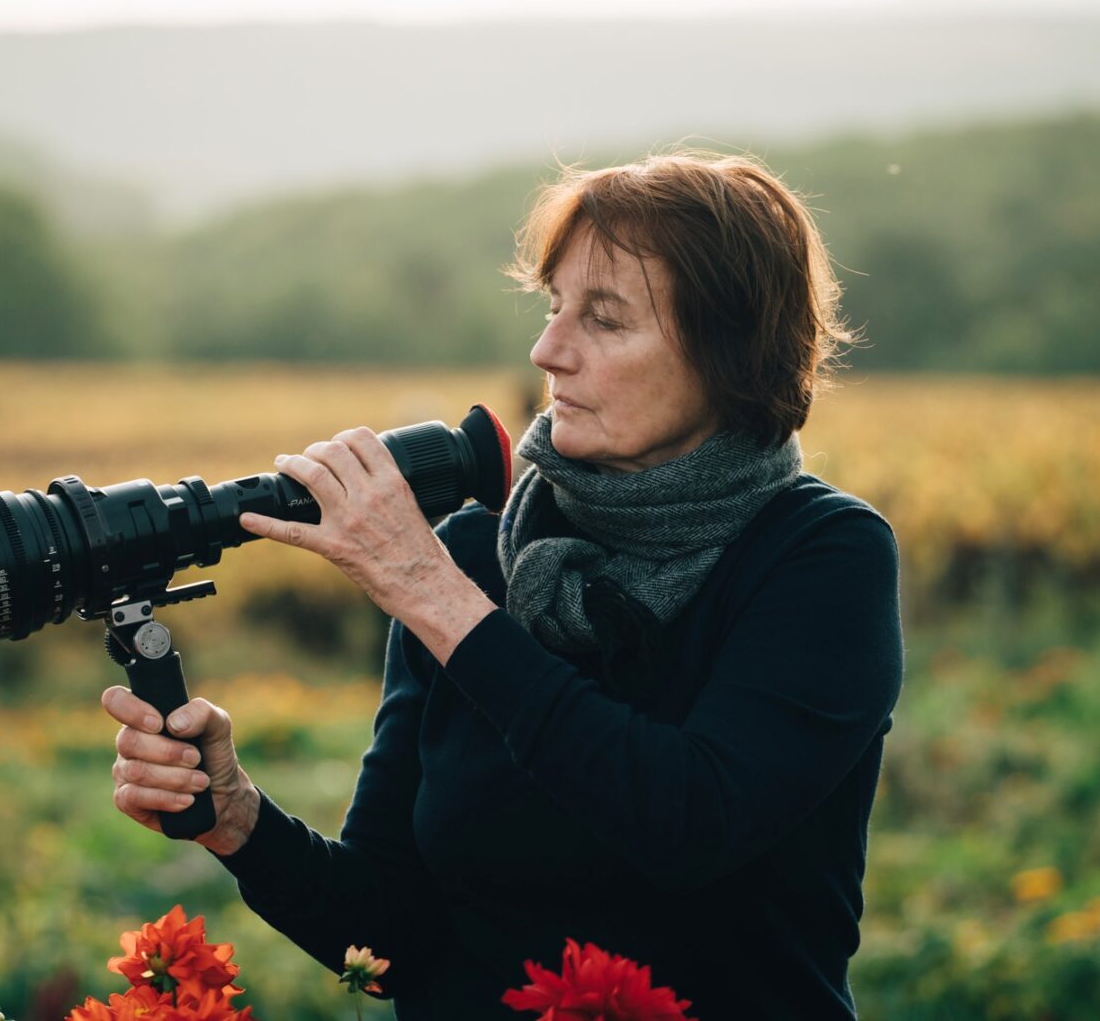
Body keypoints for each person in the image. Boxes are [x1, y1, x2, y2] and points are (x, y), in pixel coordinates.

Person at [101, 149, 904, 1020]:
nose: (547, 349)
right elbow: (390, 935)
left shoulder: (819, 555)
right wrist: (238, 821)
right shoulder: (481, 556)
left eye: (603, 319)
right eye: (553, 306)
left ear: (731, 355)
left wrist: (434, 597)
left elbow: (687, 825)